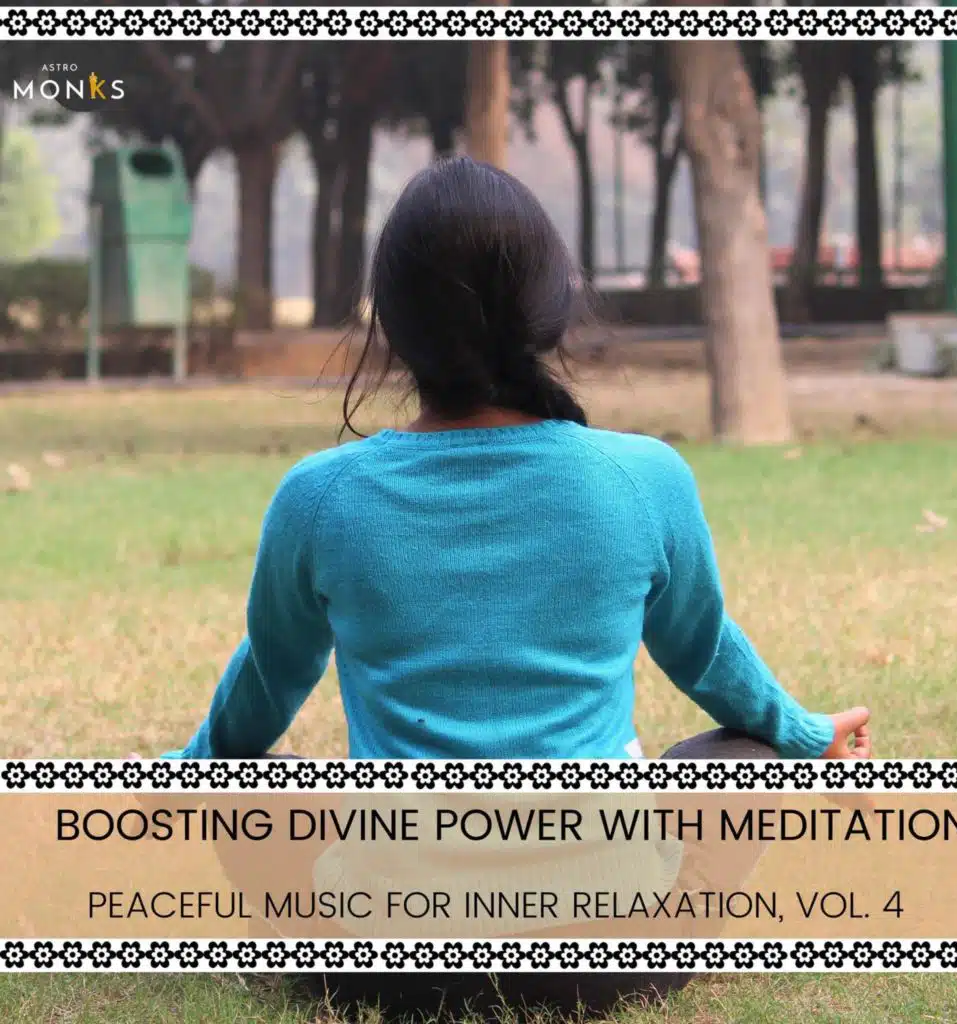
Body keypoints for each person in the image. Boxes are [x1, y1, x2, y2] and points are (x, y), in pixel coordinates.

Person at [154, 157, 871, 1020]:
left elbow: (261, 696)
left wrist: (179, 778)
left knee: (243, 782)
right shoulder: (644, 477)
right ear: (553, 306)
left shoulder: (320, 497)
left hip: (386, 968)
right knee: (746, 755)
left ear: (390, 325)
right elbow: (708, 657)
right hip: (607, 958)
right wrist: (805, 733)